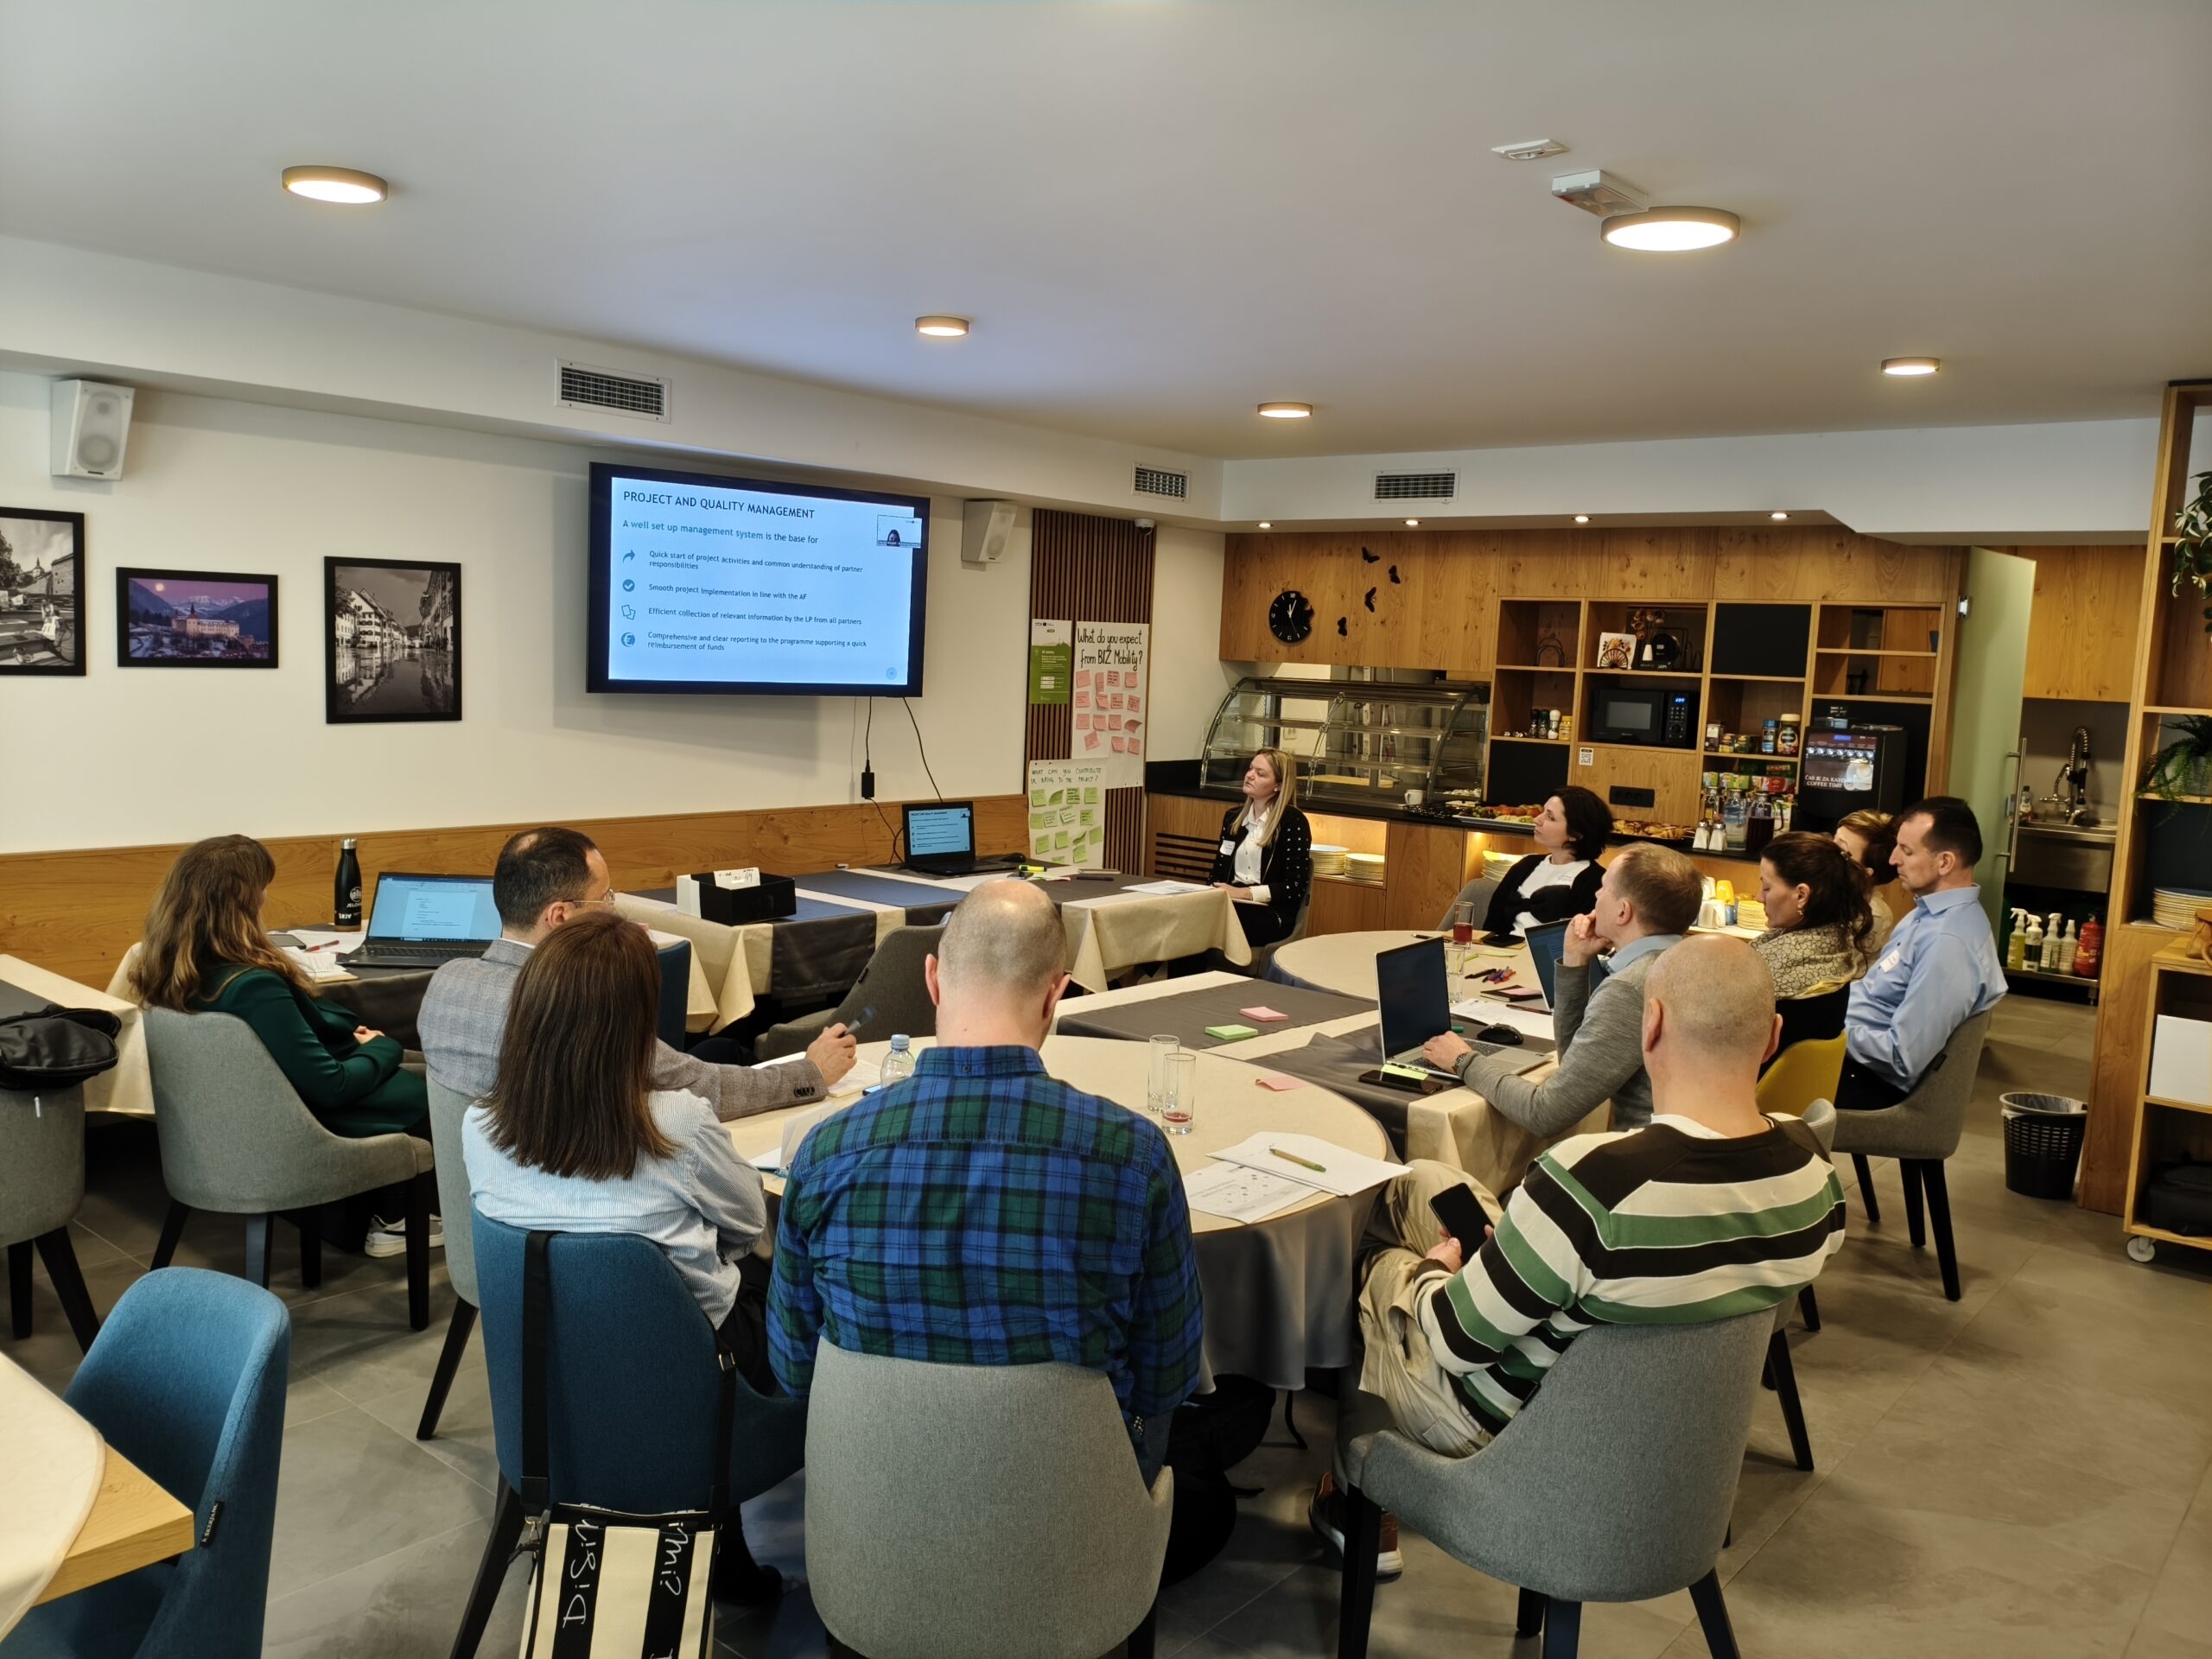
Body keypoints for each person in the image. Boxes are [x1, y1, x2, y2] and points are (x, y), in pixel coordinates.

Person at [1313, 936, 1846, 1568]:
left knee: (1378, 1265)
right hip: (1664, 1439)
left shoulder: (1591, 1180)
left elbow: (1455, 1343)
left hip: (1512, 1432)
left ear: (1651, 1025)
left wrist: (1435, 1271)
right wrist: (1521, 1251)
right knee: (1423, 1180)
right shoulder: (1814, 1170)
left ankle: (1358, 1492)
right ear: (1773, 1036)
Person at [768, 879, 1203, 1478]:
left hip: (870, 1497)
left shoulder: (825, 1153)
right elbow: (1166, 1377)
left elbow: (795, 1369)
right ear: (1055, 995)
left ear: (932, 979)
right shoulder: (1135, 1157)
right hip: (1073, 1502)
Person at [461, 910, 777, 1387]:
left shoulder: (479, 1123)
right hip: (688, 1364)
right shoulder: (678, 1122)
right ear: (639, 1021)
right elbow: (750, 1224)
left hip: (546, 1366)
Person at [128, 834, 431, 1258]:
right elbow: (332, 1086)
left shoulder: (170, 970)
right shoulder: (252, 985)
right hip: (301, 1123)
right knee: (435, 1087)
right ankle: (397, 1221)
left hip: (236, 1121)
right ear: (242, 901)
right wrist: (383, 1047)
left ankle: (398, 1213)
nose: (266, 896)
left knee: (422, 1072)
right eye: (263, 887)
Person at [418, 826, 854, 1116]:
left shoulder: (445, 983)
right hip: (589, 1209)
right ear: (560, 916)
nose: (613, 911)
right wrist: (812, 1073)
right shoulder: (574, 1008)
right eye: (605, 898)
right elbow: (706, 1090)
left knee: (719, 1050)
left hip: (480, 1212)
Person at [1423, 842, 1701, 1136]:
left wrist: (1463, 1061)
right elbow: (1574, 1066)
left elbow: (1545, 1113)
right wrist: (1575, 964)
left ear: (1623, 912)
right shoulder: (1693, 963)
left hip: (1650, 1153)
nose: (1596, 895)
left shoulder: (1629, 988)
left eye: (1604, 888)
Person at [1838, 797, 2006, 1110]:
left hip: (1871, 1082)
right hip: (1852, 1055)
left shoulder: (1948, 942)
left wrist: (1828, 1028)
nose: (1893, 860)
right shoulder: (1926, 915)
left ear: (1944, 862)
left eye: (1907, 851)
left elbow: (1902, 1057)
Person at [1458, 787, 1611, 938]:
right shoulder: (1525, 865)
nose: (1537, 820)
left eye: (1550, 817)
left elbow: (1579, 939)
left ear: (1576, 834)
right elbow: (1491, 926)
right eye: (1543, 812)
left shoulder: (1596, 881)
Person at [1207, 748, 1313, 947]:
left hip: (1269, 912)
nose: (1249, 775)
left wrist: (1245, 893)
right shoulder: (1233, 818)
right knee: (1188, 917)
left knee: (1205, 926)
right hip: (1230, 904)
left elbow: (1295, 886)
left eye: (1260, 773)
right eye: (1250, 769)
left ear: (1278, 786)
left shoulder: (1292, 821)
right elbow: (1217, 873)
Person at [1753, 831, 1877, 997]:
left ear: (1801, 895)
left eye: (1766, 888)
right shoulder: (1833, 944)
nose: (1759, 898)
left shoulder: (1784, 966)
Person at [1833, 809, 1899, 950]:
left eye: (1840, 850)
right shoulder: (1826, 888)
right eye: (1834, 839)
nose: (1825, 849)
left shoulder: (1870, 917)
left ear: (1865, 872)